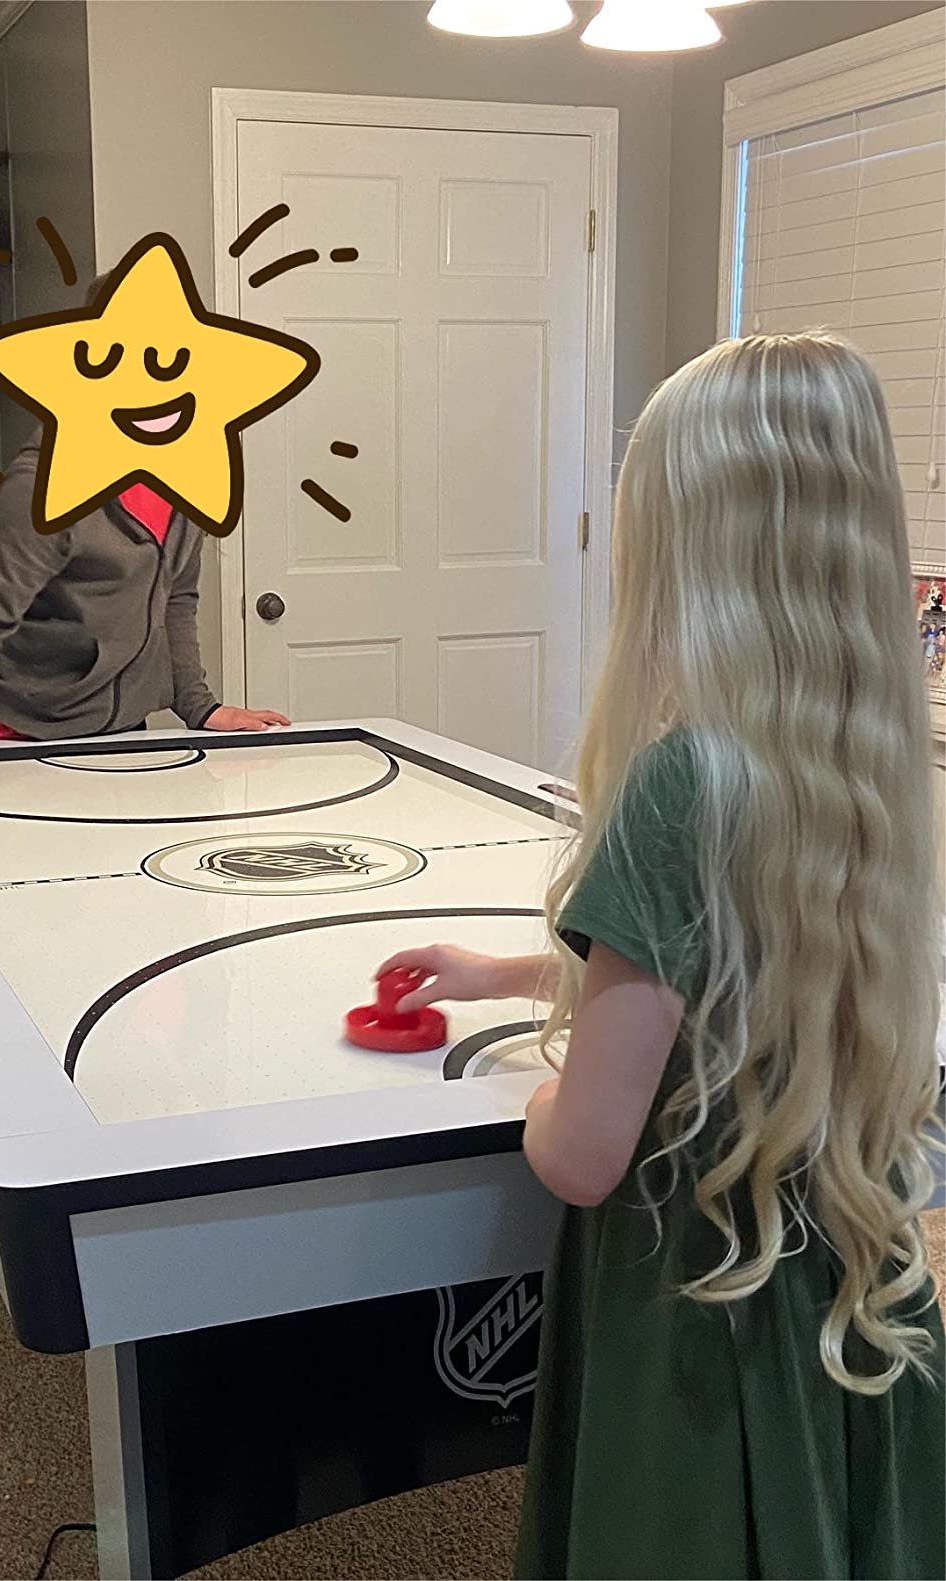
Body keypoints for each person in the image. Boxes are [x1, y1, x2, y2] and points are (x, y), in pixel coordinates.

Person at [379, 334, 945, 1578]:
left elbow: (584, 1156)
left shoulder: (681, 779)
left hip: (695, 1302)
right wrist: (511, 972)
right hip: (842, 1285)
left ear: (683, 542)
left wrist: (541, 1090)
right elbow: (734, 984)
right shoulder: (858, 763)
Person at [0, 275, 289, 1167]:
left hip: (118, 739)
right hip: (15, 734)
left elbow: (176, 600)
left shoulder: (189, 476)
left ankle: (106, 1099)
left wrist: (200, 705)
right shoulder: (45, 489)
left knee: (112, 930)